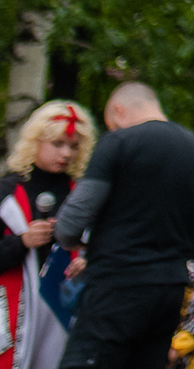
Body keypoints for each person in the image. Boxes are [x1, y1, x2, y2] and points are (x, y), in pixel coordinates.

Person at [48, 82, 194, 369]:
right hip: (169, 292)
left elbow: (72, 220)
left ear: (118, 110)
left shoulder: (119, 142)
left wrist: (79, 244)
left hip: (116, 286)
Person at [3, 100, 97, 369]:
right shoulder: (6, 192)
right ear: (35, 141)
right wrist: (22, 241)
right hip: (12, 311)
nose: (66, 153)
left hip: (65, 308)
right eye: (57, 144)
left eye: (73, 146)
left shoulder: (85, 195)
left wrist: (90, 261)